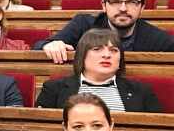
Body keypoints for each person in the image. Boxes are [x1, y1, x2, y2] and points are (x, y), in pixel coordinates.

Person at [40, 0, 174, 61]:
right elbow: (39, 47)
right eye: (115, 2)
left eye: (131, 2)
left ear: (142, 6)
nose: (123, 8)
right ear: (104, 5)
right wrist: (51, 45)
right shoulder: (83, 24)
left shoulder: (159, 40)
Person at [35, 28, 167, 112]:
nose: (107, 55)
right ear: (82, 55)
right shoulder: (53, 89)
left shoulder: (141, 91)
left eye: (114, 50)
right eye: (97, 49)